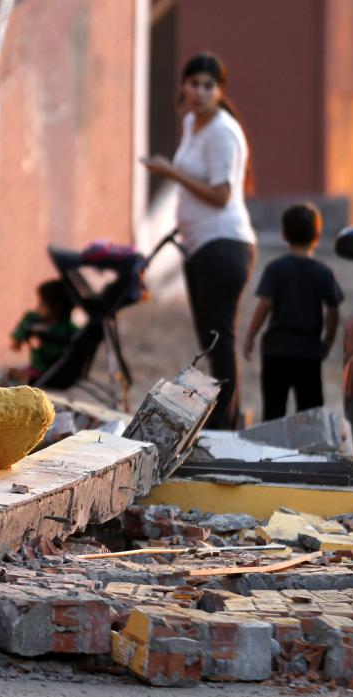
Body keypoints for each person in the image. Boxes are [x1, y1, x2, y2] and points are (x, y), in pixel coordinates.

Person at [141, 53, 258, 430]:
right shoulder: (193, 122)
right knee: (208, 339)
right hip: (199, 246)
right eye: (194, 83)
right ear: (184, 85)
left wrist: (170, 172)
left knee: (219, 339)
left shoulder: (223, 131)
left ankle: (226, 423)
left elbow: (222, 195)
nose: (201, 92)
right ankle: (222, 416)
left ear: (220, 91)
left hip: (224, 244)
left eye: (209, 86)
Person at [243, 204, 343, 421]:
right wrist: (327, 341)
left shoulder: (275, 269)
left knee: (273, 410)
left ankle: (271, 453)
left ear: (284, 234)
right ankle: (306, 453)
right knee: (310, 413)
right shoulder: (323, 272)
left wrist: (251, 336)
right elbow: (333, 311)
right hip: (308, 352)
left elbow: (264, 306)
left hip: (276, 351)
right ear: (317, 235)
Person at [6, 280, 78, 384]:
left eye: (42, 304)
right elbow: (25, 323)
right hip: (35, 368)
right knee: (6, 377)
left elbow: (57, 353)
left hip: (48, 373)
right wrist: (18, 339)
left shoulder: (66, 329)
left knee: (9, 381)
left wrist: (40, 341)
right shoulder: (35, 318)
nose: (37, 307)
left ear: (57, 308)